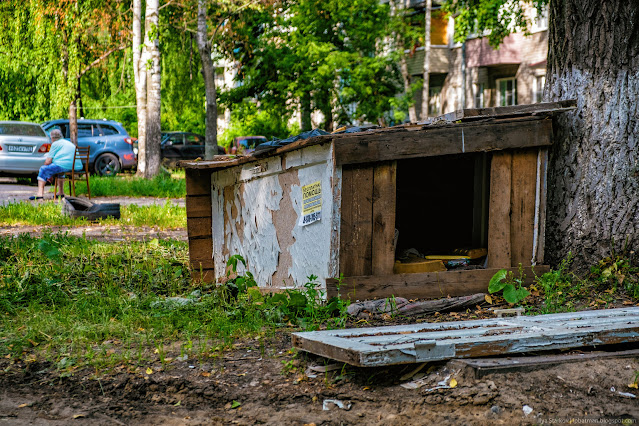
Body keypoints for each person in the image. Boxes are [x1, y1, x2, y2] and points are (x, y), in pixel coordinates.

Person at [29, 129, 82, 200]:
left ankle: (40, 194)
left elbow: (48, 161)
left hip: (64, 165)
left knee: (43, 169)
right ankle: (60, 193)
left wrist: (49, 174)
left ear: (52, 138)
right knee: (60, 170)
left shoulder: (55, 144)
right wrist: (50, 174)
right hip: (76, 166)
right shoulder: (68, 143)